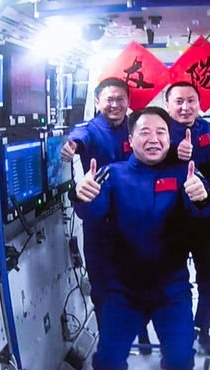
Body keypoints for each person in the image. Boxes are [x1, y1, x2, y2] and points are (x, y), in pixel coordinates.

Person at [72, 106, 210, 370]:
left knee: (180, 359)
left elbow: (204, 212)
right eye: (145, 132)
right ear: (131, 139)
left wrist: (203, 198)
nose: (153, 139)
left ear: (170, 138)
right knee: (108, 360)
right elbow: (92, 212)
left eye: (161, 132)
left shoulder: (186, 174)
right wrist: (81, 195)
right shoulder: (112, 175)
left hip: (172, 289)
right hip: (123, 290)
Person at [61, 77, 153, 354]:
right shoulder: (90, 129)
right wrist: (71, 146)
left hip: (135, 219)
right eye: (109, 99)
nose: (115, 104)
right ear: (98, 101)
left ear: (128, 101)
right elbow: (78, 138)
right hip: (100, 222)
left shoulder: (136, 127)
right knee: (102, 286)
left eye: (120, 99)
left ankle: (142, 335)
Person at [165, 81, 210, 355]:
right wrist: (172, 153)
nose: (185, 107)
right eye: (178, 101)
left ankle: (204, 328)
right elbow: (145, 162)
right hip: (169, 217)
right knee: (173, 279)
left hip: (203, 215)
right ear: (168, 104)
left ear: (199, 104)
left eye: (191, 101)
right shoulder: (159, 130)